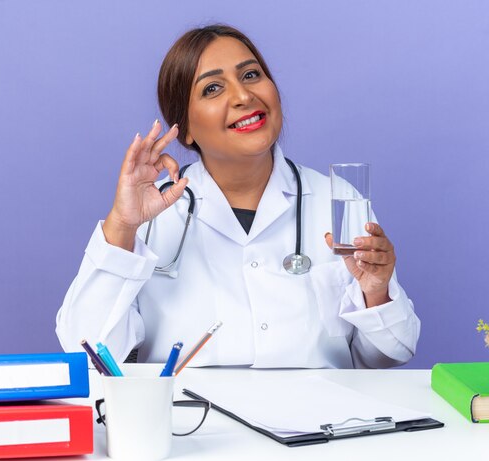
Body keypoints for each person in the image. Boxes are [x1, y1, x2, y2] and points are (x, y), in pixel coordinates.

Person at [56, 24, 420, 369]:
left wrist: (377, 293)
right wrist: (121, 225)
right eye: (212, 89)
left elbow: (390, 354)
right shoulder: (152, 217)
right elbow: (89, 354)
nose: (244, 96)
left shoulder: (337, 199)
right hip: (192, 425)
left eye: (250, 75)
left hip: (318, 425)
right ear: (185, 130)